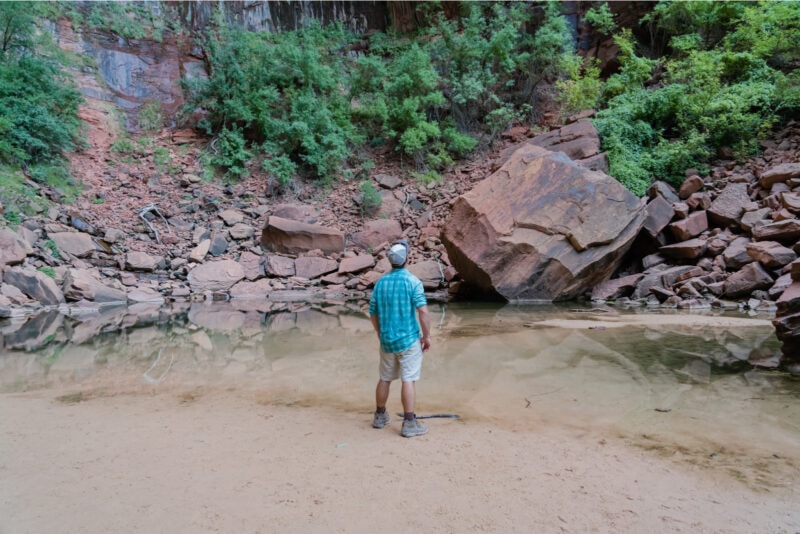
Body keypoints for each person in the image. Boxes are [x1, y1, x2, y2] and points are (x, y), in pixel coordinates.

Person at [368, 239, 432, 438]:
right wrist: (427, 336)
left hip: (387, 340)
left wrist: (379, 332)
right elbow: (423, 311)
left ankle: (380, 417)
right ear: (407, 260)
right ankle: (409, 422)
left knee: (385, 378)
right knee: (409, 379)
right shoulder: (413, 282)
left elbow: (372, 312)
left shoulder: (381, 283)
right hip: (409, 340)